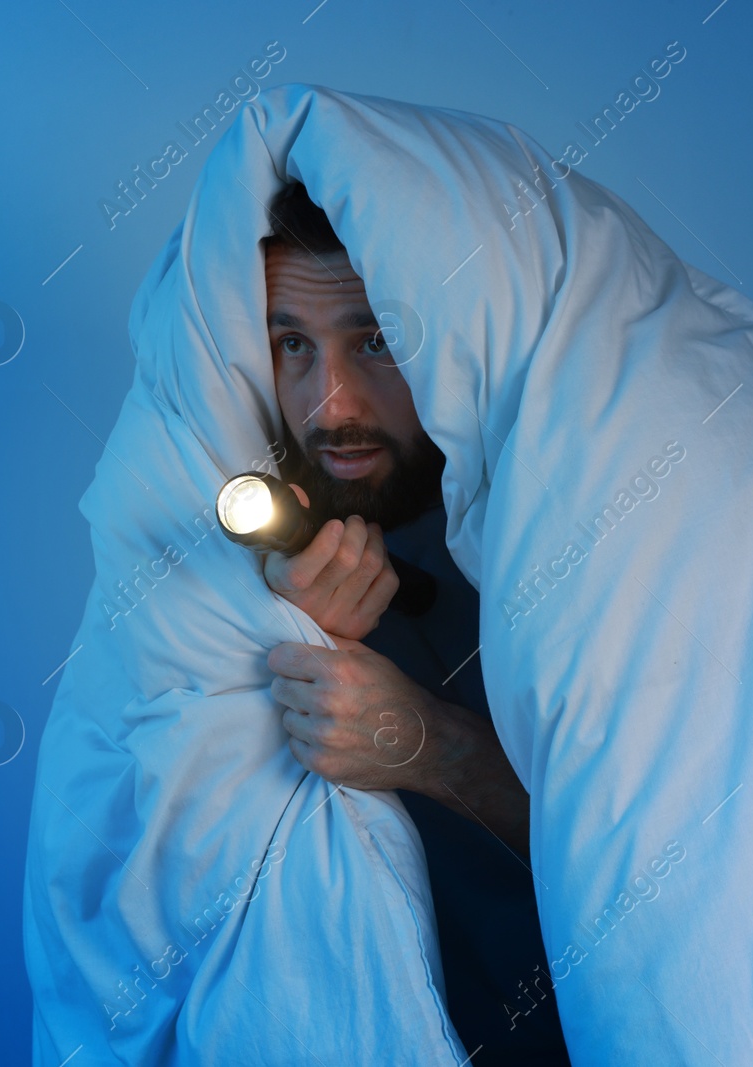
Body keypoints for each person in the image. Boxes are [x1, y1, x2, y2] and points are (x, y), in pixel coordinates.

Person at [258, 180, 571, 1063]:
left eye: (379, 340)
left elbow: (676, 840)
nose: (334, 404)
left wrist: (432, 745)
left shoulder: (564, 533)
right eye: (294, 344)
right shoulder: (244, 554)